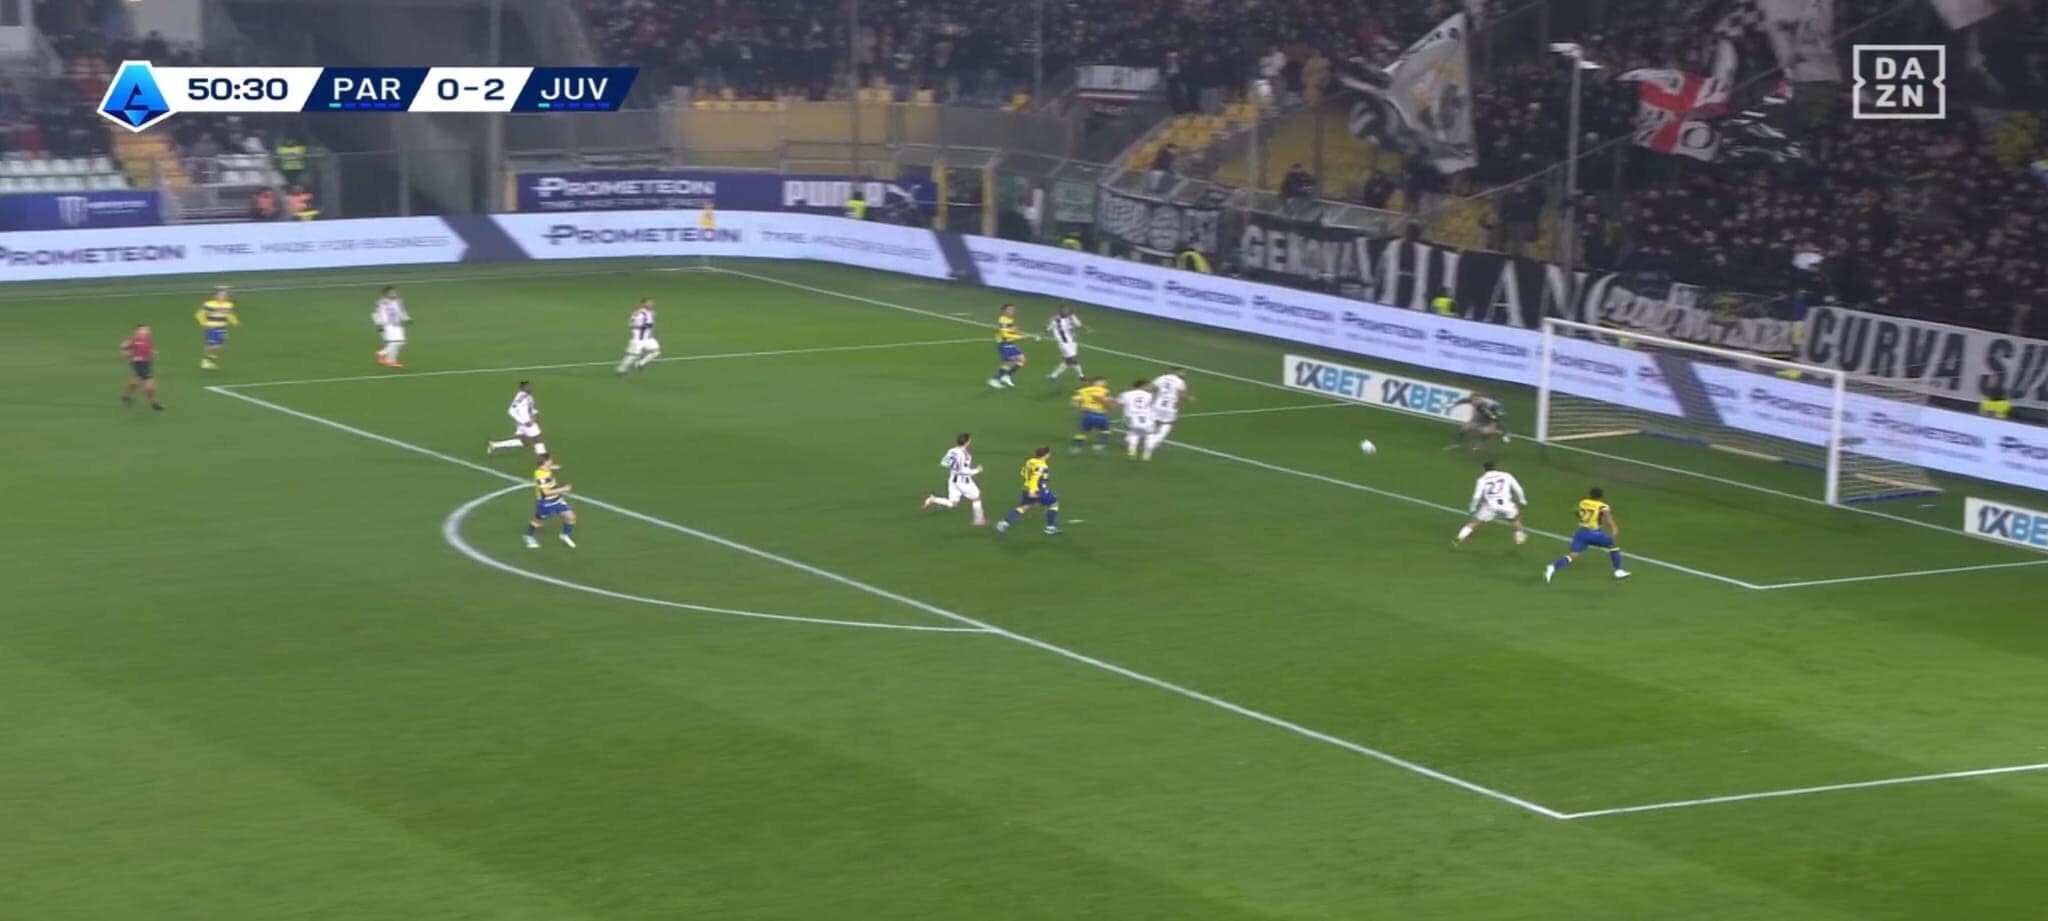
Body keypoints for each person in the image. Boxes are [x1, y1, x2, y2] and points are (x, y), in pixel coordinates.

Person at [1545, 487, 1630, 582]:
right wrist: (1614, 528)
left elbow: (1578, 513)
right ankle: (1618, 571)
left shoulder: (1583, 502)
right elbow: (1608, 517)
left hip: (1581, 533)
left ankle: (1553, 567)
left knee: (1572, 556)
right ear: (1601, 496)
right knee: (1613, 546)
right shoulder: (1603, 506)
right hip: (1594, 534)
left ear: (1590, 495)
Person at [1454, 461, 1527, 547]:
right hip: (1506, 504)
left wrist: (1472, 507)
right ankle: (1519, 537)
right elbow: (1518, 489)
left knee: (1474, 522)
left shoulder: (1482, 480)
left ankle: (1459, 538)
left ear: (1484, 469)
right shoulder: (1506, 475)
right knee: (1515, 518)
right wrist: (1522, 500)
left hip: (1490, 506)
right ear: (1495, 467)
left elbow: (1476, 496)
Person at [921, 432, 986, 526]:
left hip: (953, 481)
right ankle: (979, 520)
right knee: (977, 497)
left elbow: (944, 463)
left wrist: (954, 467)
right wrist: (977, 470)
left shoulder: (952, 451)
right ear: (967, 442)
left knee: (953, 503)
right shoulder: (965, 455)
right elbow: (962, 470)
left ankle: (933, 499)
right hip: (964, 482)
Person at [995, 447, 1060, 535]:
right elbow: (1035, 478)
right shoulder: (1042, 466)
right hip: (1038, 489)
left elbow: (1023, 472)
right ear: (1045, 455)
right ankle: (1050, 528)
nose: (1050, 455)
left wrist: (1028, 483)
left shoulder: (1030, 461)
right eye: (1049, 454)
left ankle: (1004, 523)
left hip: (1026, 487)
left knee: (1024, 507)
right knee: (1054, 503)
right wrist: (1032, 491)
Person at [524, 454, 578, 549]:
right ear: (545, 463)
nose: (551, 461)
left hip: (557, 500)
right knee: (538, 522)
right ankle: (528, 535)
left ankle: (564, 535)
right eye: (550, 461)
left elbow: (547, 468)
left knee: (571, 517)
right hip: (546, 504)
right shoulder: (541, 476)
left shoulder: (545, 469)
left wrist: (552, 467)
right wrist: (564, 489)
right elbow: (546, 493)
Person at [487, 380, 547, 457]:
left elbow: (530, 409)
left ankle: (494, 445)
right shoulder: (521, 397)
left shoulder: (529, 396)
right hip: (526, 423)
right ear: (523, 388)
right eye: (528, 386)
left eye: (530, 386)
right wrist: (523, 422)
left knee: (523, 442)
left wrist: (535, 414)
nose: (530, 387)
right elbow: (511, 410)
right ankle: (544, 459)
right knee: (538, 439)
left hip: (525, 423)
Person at [1142, 366, 1190, 460]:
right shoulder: (1180, 382)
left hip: (1157, 404)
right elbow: (1182, 395)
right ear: (1177, 372)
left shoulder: (1162, 377)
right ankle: (1155, 442)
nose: (1184, 374)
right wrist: (1187, 399)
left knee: (1153, 422)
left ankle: (1142, 438)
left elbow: (1150, 388)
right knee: (1167, 424)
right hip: (1170, 407)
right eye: (1182, 372)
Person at [119, 324, 165, 411]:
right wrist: (128, 354)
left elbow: (146, 349)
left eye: (147, 330)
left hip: (146, 363)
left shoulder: (147, 339)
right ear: (137, 331)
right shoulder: (134, 340)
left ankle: (126, 396)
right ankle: (154, 403)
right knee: (149, 386)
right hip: (140, 364)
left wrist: (151, 352)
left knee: (136, 381)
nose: (147, 331)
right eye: (144, 330)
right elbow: (123, 347)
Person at [194, 286, 237, 370]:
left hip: (222, 328)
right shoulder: (208, 304)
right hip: (211, 328)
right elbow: (199, 314)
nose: (223, 297)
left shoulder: (229, 305)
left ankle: (210, 360)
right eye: (221, 295)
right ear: (215, 296)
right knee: (212, 345)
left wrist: (234, 321)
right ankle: (205, 361)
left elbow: (229, 314)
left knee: (220, 347)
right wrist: (204, 323)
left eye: (225, 295)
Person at [616, 298, 661, 376]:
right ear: (643, 304)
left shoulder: (652, 312)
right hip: (638, 339)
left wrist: (651, 332)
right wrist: (641, 326)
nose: (651, 304)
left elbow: (651, 324)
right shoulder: (639, 313)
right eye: (648, 303)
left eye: (651, 302)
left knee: (656, 352)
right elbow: (630, 324)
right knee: (633, 357)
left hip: (648, 338)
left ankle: (640, 363)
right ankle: (621, 370)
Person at [1070, 376, 1115, 453]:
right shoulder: (1105, 391)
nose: (1105, 383)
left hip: (1088, 414)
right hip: (1101, 415)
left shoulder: (1083, 390)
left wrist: (1077, 409)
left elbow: (1075, 401)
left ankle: (1076, 447)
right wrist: (1110, 407)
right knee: (1105, 430)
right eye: (1103, 381)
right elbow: (1108, 401)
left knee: (1082, 431)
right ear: (1096, 382)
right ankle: (1100, 445)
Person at [988, 303, 1026, 389]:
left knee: (1022, 360)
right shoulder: (1003, 320)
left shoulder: (1010, 319)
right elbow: (1004, 334)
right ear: (1004, 311)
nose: (1012, 311)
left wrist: (1019, 332)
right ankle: (994, 379)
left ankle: (1006, 376)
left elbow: (1013, 329)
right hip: (1004, 343)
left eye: (1013, 309)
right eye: (1010, 310)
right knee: (1010, 362)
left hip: (1010, 343)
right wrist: (1019, 337)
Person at [372, 286, 410, 368]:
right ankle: (388, 358)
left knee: (399, 342)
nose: (394, 293)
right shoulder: (381, 303)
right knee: (396, 342)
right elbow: (375, 314)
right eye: (391, 292)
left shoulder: (398, 301)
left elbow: (401, 311)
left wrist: (407, 319)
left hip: (397, 324)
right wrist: (379, 324)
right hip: (387, 325)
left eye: (394, 292)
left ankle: (387, 357)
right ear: (386, 294)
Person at [1118, 378, 1155, 460]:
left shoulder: (1125, 394)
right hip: (1146, 420)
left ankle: (1132, 452)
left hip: (1132, 418)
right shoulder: (1149, 395)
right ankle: (1146, 455)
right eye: (1148, 386)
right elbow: (1151, 406)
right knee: (1150, 435)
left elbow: (1120, 404)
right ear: (1142, 386)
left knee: (1134, 434)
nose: (1149, 387)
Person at [1045, 306, 1084, 383]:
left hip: (1072, 342)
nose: (1065, 312)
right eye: (1064, 311)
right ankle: (1081, 376)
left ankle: (1053, 376)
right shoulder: (1056, 320)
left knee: (1069, 361)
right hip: (1064, 343)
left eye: (1067, 311)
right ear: (1061, 312)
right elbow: (1048, 328)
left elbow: (1079, 325)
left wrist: (1073, 316)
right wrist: (1046, 328)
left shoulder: (1070, 318)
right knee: (1072, 360)